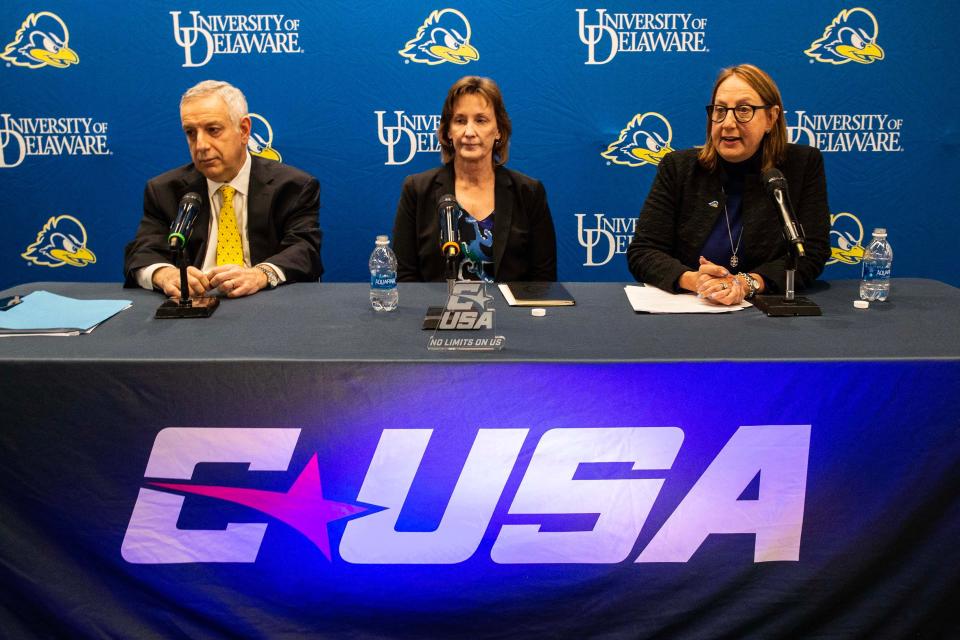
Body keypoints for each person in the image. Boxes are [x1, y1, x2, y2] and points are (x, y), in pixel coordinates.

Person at [626, 64, 830, 305]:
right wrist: (695, 280)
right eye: (720, 110)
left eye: (744, 110)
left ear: (771, 118)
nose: (728, 123)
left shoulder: (802, 165)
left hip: (765, 316)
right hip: (692, 309)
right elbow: (643, 251)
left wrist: (745, 283)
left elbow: (810, 254)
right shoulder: (678, 167)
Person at [123, 80, 322, 298]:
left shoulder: (293, 186)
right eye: (191, 133)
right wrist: (165, 274)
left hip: (266, 302)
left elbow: (305, 251)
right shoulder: (165, 190)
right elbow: (141, 253)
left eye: (213, 130)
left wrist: (260, 274)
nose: (201, 145)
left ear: (244, 130)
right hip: (195, 305)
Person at [392, 76, 557, 282]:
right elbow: (404, 277)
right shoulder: (417, 190)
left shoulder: (529, 193)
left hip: (510, 314)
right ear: (448, 131)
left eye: (481, 120)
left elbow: (544, 280)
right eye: (460, 121)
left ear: (499, 131)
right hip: (436, 312)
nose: (469, 132)